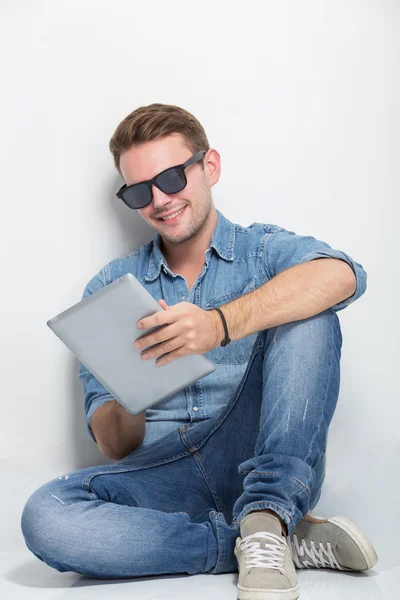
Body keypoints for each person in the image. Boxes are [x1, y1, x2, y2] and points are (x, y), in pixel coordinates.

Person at [21, 103, 378, 599]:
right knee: (46, 516)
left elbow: (343, 275)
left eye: (171, 178)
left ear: (208, 167)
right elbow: (116, 447)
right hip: (166, 476)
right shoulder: (111, 287)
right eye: (140, 191)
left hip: (257, 455)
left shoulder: (262, 250)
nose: (160, 200)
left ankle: (268, 509)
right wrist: (131, 382)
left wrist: (220, 325)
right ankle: (258, 540)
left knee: (311, 305)